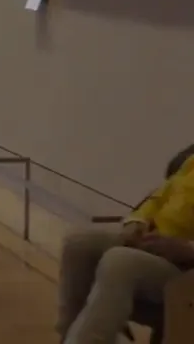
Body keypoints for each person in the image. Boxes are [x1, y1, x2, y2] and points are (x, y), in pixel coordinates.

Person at [57, 143, 194, 343]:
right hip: (155, 245)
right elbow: (157, 198)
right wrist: (136, 222)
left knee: (121, 261)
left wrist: (186, 249)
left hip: (187, 267)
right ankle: (68, 335)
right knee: (78, 243)